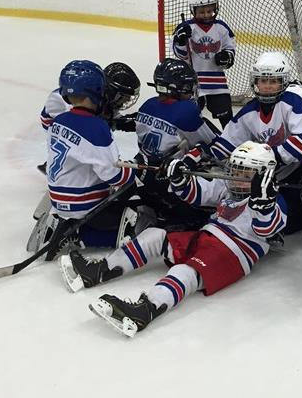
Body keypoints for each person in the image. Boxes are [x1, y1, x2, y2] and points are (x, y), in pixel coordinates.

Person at [60, 142, 286, 337]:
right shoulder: (229, 189)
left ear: (263, 174)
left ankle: (144, 311)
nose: (236, 178)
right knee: (154, 235)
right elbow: (197, 193)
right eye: (235, 170)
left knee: (184, 272)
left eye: (245, 174)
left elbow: (267, 229)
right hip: (205, 237)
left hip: (233, 254)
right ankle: (98, 270)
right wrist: (180, 179)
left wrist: (263, 205)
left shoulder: (275, 201)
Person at [206, 51, 302, 275]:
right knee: (283, 221)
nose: (267, 86)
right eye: (263, 81)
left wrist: (269, 157)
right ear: (255, 82)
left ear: (283, 82)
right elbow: (224, 144)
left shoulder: (293, 102)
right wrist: (200, 157)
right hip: (281, 173)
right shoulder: (249, 112)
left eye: (273, 81)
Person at [34, 60, 138, 257]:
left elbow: (57, 128)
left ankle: (58, 217)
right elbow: (115, 176)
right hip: (83, 201)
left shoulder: (61, 120)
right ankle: (81, 236)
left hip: (58, 194)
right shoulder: (93, 126)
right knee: (136, 211)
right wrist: (132, 170)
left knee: (77, 161)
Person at [132, 58, 219, 232]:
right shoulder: (186, 110)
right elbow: (211, 143)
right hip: (170, 182)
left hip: (144, 175)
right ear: (178, 88)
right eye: (187, 86)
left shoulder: (147, 105)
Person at [37, 62, 140, 173]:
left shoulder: (100, 97)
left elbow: (111, 117)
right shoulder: (76, 100)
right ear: (111, 91)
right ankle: (62, 163)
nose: (126, 101)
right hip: (54, 123)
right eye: (123, 97)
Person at [172, 0, 236, 128]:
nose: (206, 15)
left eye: (209, 11)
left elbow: (230, 48)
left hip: (216, 82)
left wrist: (227, 56)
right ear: (193, 10)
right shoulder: (186, 28)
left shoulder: (221, 27)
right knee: (190, 118)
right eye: (201, 12)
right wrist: (181, 40)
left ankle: (230, 142)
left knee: (226, 117)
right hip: (192, 82)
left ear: (215, 7)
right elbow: (180, 55)